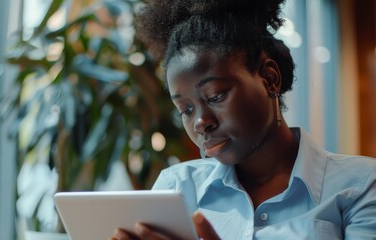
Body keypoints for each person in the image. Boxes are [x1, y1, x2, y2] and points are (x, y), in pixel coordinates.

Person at [111, 0, 376, 239]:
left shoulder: (360, 184)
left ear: (269, 79)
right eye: (186, 109)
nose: (201, 122)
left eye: (215, 96)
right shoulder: (177, 186)